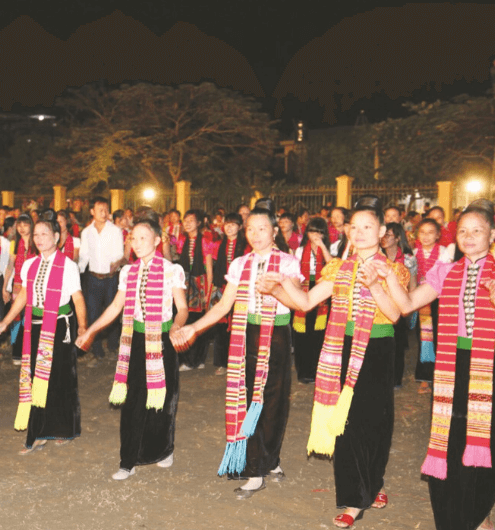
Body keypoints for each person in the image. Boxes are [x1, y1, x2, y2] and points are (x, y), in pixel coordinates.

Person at [260, 195, 409, 528]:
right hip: (341, 348)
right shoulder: (338, 267)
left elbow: (396, 314)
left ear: (383, 231)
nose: (359, 232)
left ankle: (375, 480)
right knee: (347, 423)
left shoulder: (394, 268)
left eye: (368, 227)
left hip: (378, 349)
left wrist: (375, 285)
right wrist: (277, 287)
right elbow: (306, 300)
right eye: (353, 227)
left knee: (376, 421)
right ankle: (354, 499)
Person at [379, 199, 495, 530]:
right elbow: (407, 305)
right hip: (451, 365)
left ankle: (479, 513)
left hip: (491, 363)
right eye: (463, 231)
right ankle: (453, 517)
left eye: (478, 230)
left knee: (489, 438)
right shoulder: (445, 272)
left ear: (492, 233)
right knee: (449, 439)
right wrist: (385, 277)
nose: (469, 236)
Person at [173, 203, 302, 498]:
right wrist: (194, 328)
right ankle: (254, 469)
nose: (256, 234)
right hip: (247, 335)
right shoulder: (240, 264)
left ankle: (270, 460)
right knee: (248, 401)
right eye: (251, 229)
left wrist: (280, 286)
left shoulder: (287, 262)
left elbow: (299, 302)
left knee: (275, 401)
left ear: (274, 231)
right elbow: (222, 306)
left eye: (262, 229)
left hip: (278, 335)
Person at [77, 217, 188, 479]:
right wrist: (91, 330)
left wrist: (176, 327)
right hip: (135, 341)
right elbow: (116, 307)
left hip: (162, 340)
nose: (136, 243)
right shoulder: (128, 271)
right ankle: (128, 459)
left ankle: (163, 450)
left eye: (143, 238)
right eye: (133, 238)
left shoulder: (172, 270)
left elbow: (181, 308)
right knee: (133, 402)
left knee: (162, 400)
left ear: (157, 241)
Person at [0, 211, 87, 454]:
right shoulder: (30, 264)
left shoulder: (68, 266)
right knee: (36, 377)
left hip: (59, 327)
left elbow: (78, 298)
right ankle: (40, 431)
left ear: (57, 237)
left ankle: (63, 428)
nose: (40, 238)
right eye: (36, 234)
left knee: (60, 377)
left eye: (45, 234)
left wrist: (84, 328)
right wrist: (5, 323)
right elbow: (23, 296)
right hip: (34, 327)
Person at [78, 197, 125, 367]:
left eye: (106, 209)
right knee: (93, 314)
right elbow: (84, 256)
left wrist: (115, 263)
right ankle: (97, 351)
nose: (104, 213)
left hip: (111, 279)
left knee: (112, 314)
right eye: (100, 209)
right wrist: (78, 271)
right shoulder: (86, 232)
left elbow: (119, 253)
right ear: (92, 211)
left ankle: (113, 346)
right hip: (92, 278)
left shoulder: (115, 231)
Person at [413, 218, 452, 393]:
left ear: (438, 235)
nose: (426, 236)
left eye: (431, 232)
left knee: (441, 339)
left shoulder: (446, 253)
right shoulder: (413, 254)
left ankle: (441, 377)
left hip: (441, 301)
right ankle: (425, 377)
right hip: (421, 301)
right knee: (424, 338)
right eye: (422, 232)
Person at [292, 217, 332, 384]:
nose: (315, 235)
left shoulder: (331, 248)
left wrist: (322, 246)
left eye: (318, 231)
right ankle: (304, 371)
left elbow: (332, 267)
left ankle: (317, 371)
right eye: (312, 231)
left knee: (320, 335)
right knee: (302, 334)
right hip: (304, 290)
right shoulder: (300, 251)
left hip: (323, 294)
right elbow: (296, 274)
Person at [177, 209, 214, 371]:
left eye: (191, 220)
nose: (187, 223)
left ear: (199, 223)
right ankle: (187, 359)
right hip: (185, 283)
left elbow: (209, 268)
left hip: (200, 284)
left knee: (199, 321)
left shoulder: (205, 241)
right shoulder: (181, 240)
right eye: (185, 220)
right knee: (185, 318)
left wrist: (208, 291)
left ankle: (198, 359)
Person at [212, 213, 248, 376]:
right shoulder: (220, 244)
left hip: (241, 289)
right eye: (227, 224)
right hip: (222, 287)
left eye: (233, 224)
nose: (229, 227)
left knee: (239, 326)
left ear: (240, 227)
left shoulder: (246, 246)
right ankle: (222, 363)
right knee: (221, 326)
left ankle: (239, 362)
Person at [381, 222, 417, 387]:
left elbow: (413, 285)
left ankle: (395, 379)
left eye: (388, 235)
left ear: (397, 238)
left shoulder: (408, 258)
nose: (384, 238)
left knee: (398, 343)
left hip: (400, 304)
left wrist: (409, 306)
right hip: (380, 304)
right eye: (383, 235)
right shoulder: (377, 256)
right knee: (382, 341)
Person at [5, 214, 36, 365]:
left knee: (30, 319)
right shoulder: (14, 243)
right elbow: (10, 266)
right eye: (19, 225)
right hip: (17, 286)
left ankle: (30, 352)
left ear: (31, 225)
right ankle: (17, 352)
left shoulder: (37, 242)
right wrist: (5, 287)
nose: (22, 228)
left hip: (33, 285)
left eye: (25, 224)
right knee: (16, 318)